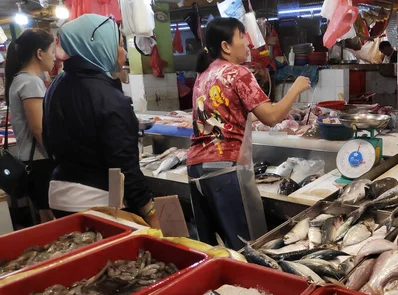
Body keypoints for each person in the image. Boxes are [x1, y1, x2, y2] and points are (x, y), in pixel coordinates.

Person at [188, 17, 310, 249]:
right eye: (241, 37)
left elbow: (210, 125)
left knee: (211, 248)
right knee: (248, 246)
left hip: (196, 170)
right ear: (226, 46)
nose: (247, 43)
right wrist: (296, 88)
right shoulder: (237, 72)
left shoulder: (203, 77)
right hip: (225, 171)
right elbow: (272, 117)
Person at [43, 14, 159, 228]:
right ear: (101, 47)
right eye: (120, 45)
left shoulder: (57, 86)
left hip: (59, 194)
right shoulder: (109, 97)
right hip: (97, 202)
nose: (123, 53)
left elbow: (47, 141)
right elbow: (123, 165)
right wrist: (150, 211)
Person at [3, 29, 56, 225]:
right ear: (39, 53)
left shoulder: (19, 80)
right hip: (40, 162)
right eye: (51, 51)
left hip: (31, 160)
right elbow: (38, 129)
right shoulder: (31, 82)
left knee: (46, 217)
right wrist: (58, 156)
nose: (54, 57)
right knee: (51, 220)